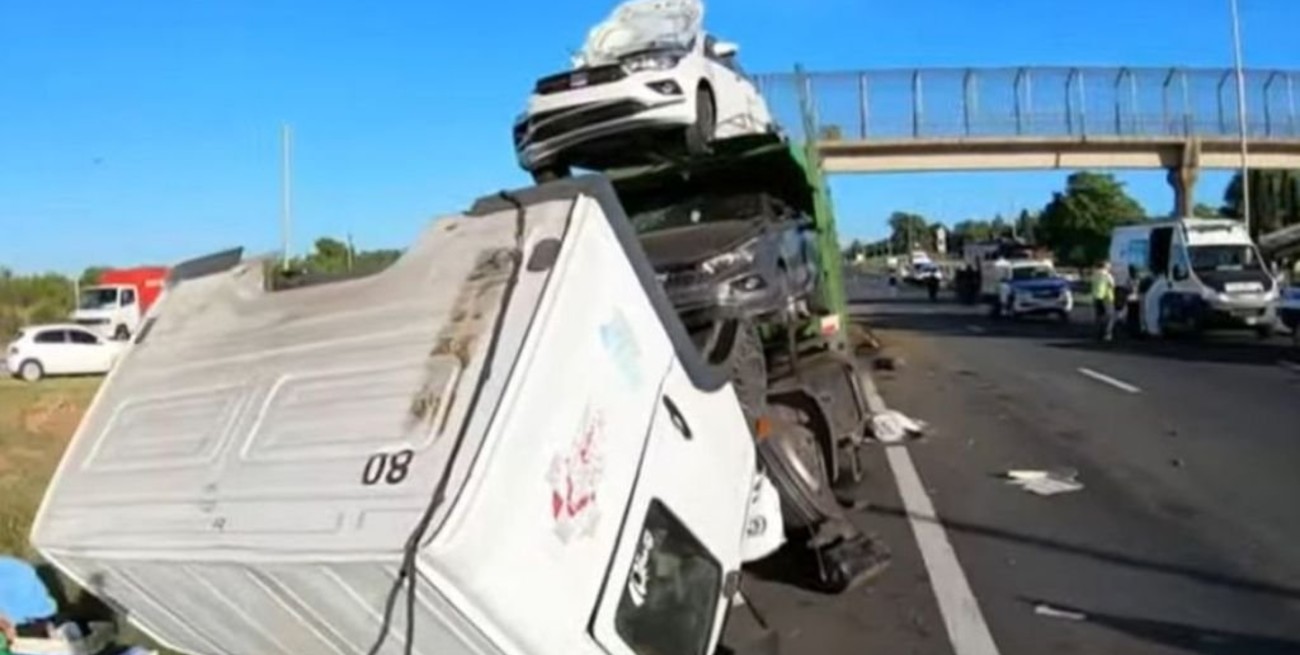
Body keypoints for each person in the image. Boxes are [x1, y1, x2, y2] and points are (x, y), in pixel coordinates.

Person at [1091, 260, 1116, 342]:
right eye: (1109, 265)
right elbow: (1112, 284)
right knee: (1110, 316)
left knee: (1099, 316)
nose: (1110, 267)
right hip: (1107, 297)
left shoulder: (1094, 274)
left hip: (1096, 296)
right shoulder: (1107, 275)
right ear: (1105, 266)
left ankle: (1099, 333)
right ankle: (1107, 334)